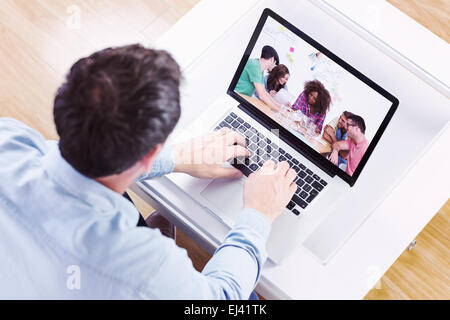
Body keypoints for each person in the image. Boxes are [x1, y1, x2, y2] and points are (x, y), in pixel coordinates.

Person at [0, 44, 297, 299]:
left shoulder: (9, 139)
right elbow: (221, 297)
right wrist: (257, 214)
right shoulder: (144, 271)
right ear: (150, 153)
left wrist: (177, 157)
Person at [235, 45, 284, 112]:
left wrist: (281, 107)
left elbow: (264, 92)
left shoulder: (260, 69)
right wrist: (281, 111)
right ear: (272, 59)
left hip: (243, 98)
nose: (274, 67)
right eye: (275, 64)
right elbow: (261, 95)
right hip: (236, 97)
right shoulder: (255, 66)